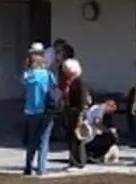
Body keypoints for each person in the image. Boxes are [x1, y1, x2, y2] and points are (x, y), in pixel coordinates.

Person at [20, 45, 57, 176]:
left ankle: (28, 167)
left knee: (32, 140)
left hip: (30, 110)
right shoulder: (48, 75)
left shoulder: (27, 75)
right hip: (46, 111)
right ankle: (41, 168)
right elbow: (54, 88)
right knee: (44, 140)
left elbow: (23, 83)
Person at [61, 57, 91, 170]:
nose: (64, 72)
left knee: (78, 137)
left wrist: (81, 116)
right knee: (71, 137)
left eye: (66, 70)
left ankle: (79, 162)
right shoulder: (71, 81)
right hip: (71, 112)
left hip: (77, 112)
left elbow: (83, 100)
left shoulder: (80, 81)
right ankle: (73, 160)